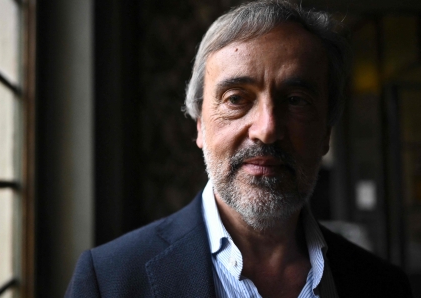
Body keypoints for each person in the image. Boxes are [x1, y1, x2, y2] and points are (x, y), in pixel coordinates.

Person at [66, 1, 413, 297]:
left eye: (296, 101)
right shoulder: (108, 281)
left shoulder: (385, 287)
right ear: (200, 124)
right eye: (236, 99)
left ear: (326, 132)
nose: (267, 130)